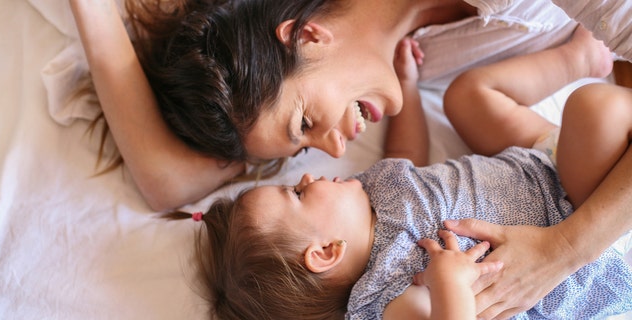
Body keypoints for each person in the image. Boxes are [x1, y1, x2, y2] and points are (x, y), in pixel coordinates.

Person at [69, 0, 632, 317]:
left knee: (589, 109)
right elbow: (166, 183)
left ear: (308, 37)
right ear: (324, 253)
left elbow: (405, 159)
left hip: (550, 185)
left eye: (305, 123)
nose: (334, 151)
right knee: (590, 112)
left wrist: (564, 248)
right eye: (304, 150)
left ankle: (584, 65)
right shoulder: (386, 292)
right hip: (569, 224)